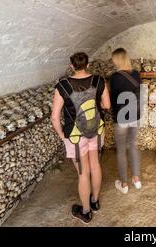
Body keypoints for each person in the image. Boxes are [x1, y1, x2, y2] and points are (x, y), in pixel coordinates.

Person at [51, 52, 110, 223]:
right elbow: (106, 105)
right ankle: (95, 202)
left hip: (76, 136)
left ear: (72, 66)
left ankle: (85, 211)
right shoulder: (99, 81)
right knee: (95, 166)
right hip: (96, 130)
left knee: (83, 173)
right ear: (88, 64)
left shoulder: (62, 86)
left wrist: (63, 136)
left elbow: (55, 117)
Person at [109, 48, 142, 194]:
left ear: (117, 60)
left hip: (121, 117)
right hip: (135, 115)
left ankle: (124, 184)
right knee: (133, 146)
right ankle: (136, 180)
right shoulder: (136, 74)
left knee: (121, 150)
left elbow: (113, 99)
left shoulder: (115, 77)